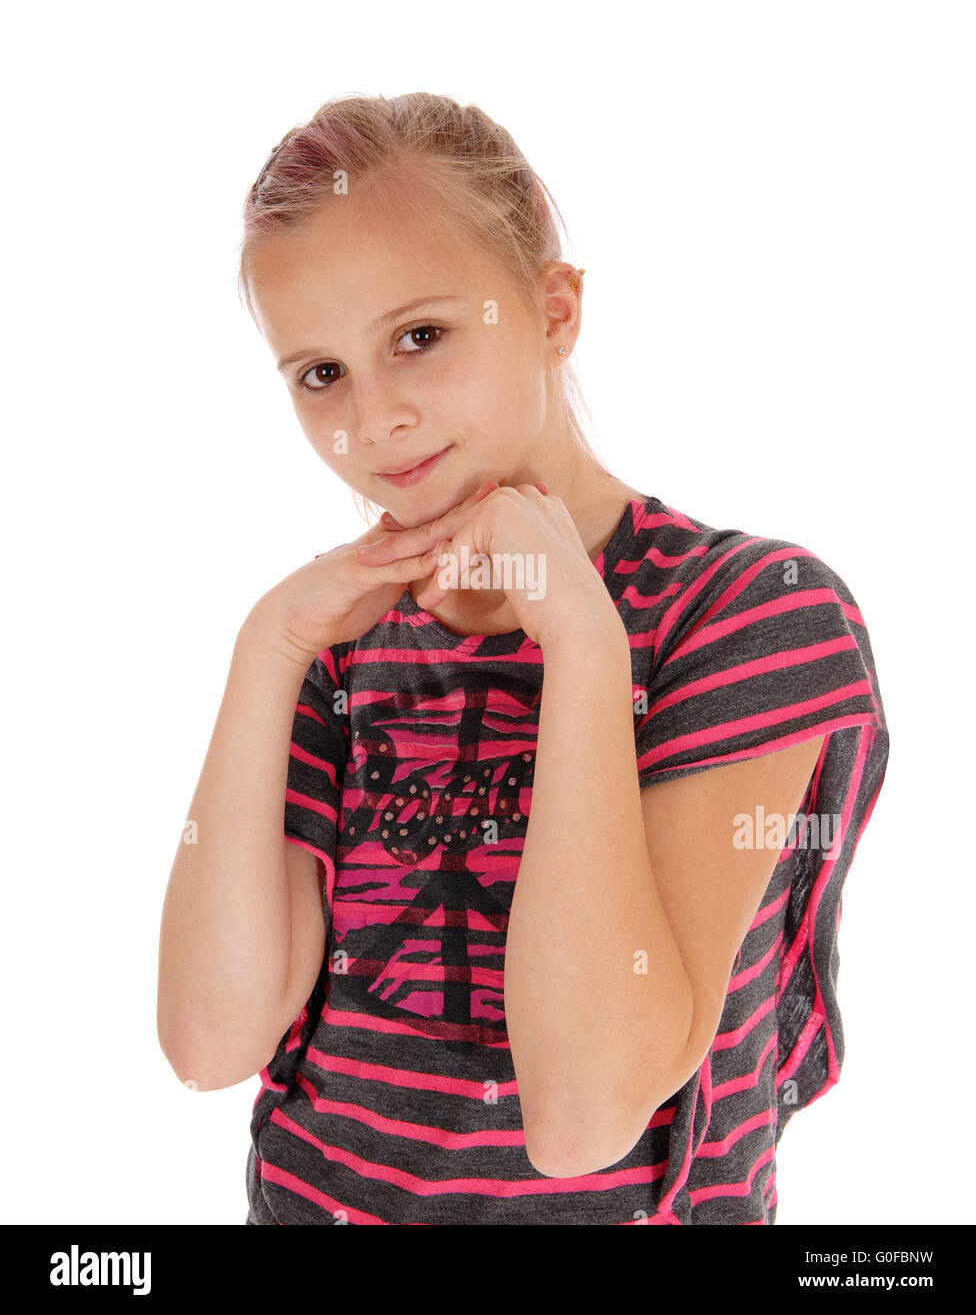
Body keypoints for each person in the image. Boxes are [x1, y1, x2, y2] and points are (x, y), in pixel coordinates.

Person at [156, 92, 890, 1225]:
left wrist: (583, 643)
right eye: (320, 373)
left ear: (551, 312)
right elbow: (209, 1043)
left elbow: (584, 1110)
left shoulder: (748, 616)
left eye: (418, 337)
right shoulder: (335, 641)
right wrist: (268, 649)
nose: (373, 420)